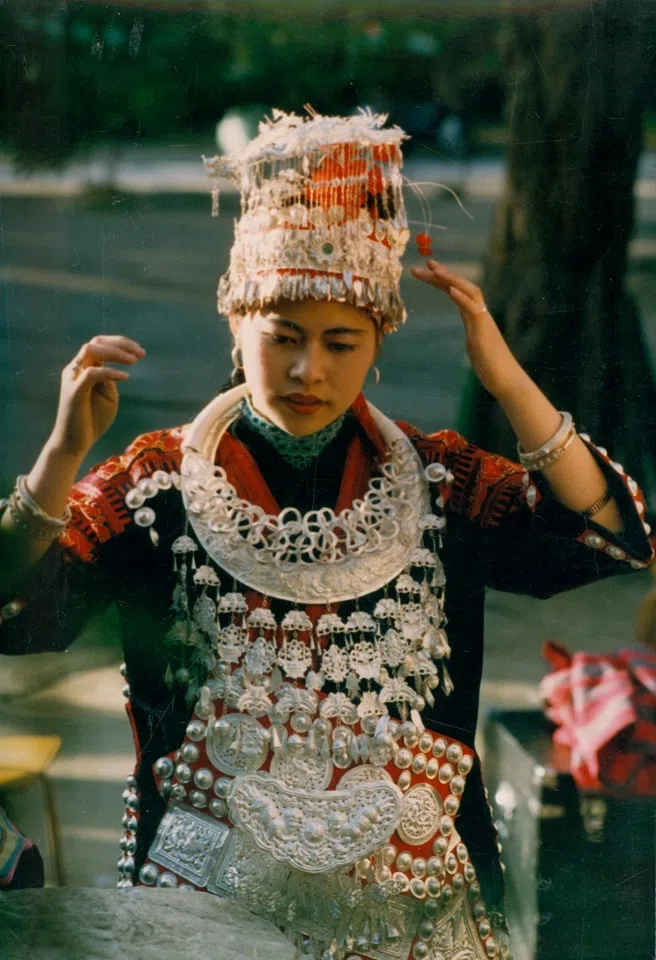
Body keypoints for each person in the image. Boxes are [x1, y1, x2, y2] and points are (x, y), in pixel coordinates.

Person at [0, 109, 652, 960]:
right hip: (203, 912)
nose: (311, 370)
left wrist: (505, 376)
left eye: (341, 343)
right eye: (285, 338)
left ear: (378, 341)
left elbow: (599, 534)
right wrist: (61, 455)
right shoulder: (158, 483)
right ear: (237, 324)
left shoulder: (435, 478)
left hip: (418, 912)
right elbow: (17, 612)